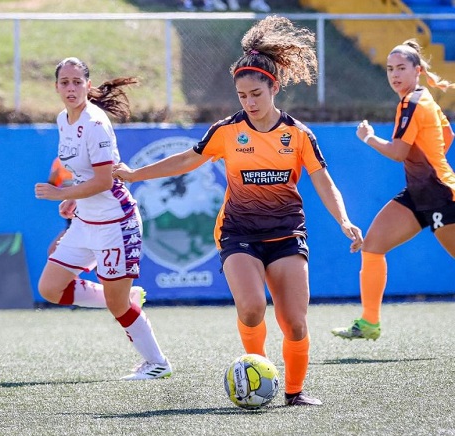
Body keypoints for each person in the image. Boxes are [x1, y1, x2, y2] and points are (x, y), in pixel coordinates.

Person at [113, 16, 363, 404]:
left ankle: (294, 393)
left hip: (286, 235)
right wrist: (134, 174)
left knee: (295, 323)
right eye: (242, 95)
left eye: (256, 94)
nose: (249, 102)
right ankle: (258, 377)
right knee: (251, 309)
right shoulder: (227, 131)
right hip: (238, 233)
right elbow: (186, 160)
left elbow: (323, 181)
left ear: (274, 88)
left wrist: (343, 220)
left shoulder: (298, 135)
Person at [34, 57, 171, 381]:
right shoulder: (63, 119)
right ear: (56, 87)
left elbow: (105, 181)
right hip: (86, 220)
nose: (70, 88)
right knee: (50, 288)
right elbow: (83, 174)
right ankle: (127, 297)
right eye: (64, 82)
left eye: (76, 82)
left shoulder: (95, 123)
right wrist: (73, 197)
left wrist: (61, 193)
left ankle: (158, 364)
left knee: (117, 306)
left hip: (115, 223)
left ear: (88, 86)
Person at [332, 39, 455, 341]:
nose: (394, 75)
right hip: (419, 192)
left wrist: (368, 137)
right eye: (390, 69)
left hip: (440, 195)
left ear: (417, 70)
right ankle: (369, 323)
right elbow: (448, 134)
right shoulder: (423, 97)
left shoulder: (412, 102)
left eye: (401, 68)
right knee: (373, 246)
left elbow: (399, 153)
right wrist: (429, 163)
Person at [46, 157, 74, 256]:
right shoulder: (59, 161)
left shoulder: (88, 157)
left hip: (86, 213)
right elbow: (51, 185)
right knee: (53, 252)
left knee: (54, 251)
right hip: (72, 218)